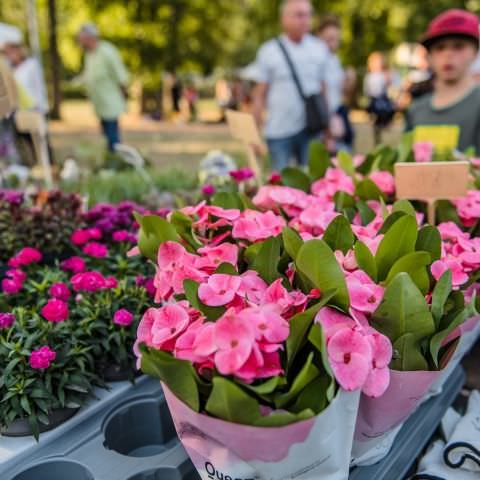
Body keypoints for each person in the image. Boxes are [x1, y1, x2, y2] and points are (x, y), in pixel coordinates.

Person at [251, 0, 328, 170]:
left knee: (312, 186)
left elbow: (323, 91)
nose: (305, 20)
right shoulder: (268, 51)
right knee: (280, 187)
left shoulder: (320, 49)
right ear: (284, 19)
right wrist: (255, 134)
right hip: (278, 131)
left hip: (311, 130)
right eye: (299, 15)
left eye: (308, 15)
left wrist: (328, 131)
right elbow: (259, 96)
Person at [406, 9, 480, 154]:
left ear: (475, 52)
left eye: (458, 46)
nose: (448, 54)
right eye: (440, 48)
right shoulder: (416, 109)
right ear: (429, 56)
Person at [76, 23, 129, 152]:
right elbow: (89, 75)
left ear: (90, 38)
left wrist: (124, 94)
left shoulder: (107, 51)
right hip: (100, 103)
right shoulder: (90, 54)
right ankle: (111, 158)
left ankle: (115, 159)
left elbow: (121, 75)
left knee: (112, 136)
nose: (80, 43)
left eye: (82, 40)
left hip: (111, 101)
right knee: (106, 134)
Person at [317, 14, 355, 153]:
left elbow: (342, 93)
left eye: (336, 39)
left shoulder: (335, 59)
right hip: (324, 119)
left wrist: (349, 80)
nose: (333, 44)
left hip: (337, 115)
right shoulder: (316, 61)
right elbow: (321, 92)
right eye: (328, 39)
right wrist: (328, 128)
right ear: (319, 37)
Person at [3, 34, 48, 115]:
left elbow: (39, 87)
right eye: (7, 52)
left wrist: (41, 107)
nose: (10, 55)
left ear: (19, 50)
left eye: (12, 51)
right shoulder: (8, 67)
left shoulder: (32, 65)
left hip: (33, 108)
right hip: (15, 111)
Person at [364, 52, 397, 145]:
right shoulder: (369, 76)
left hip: (382, 99)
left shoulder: (384, 75)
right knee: (375, 118)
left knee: (386, 111)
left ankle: (386, 124)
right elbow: (367, 90)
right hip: (374, 99)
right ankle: (376, 129)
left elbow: (389, 87)